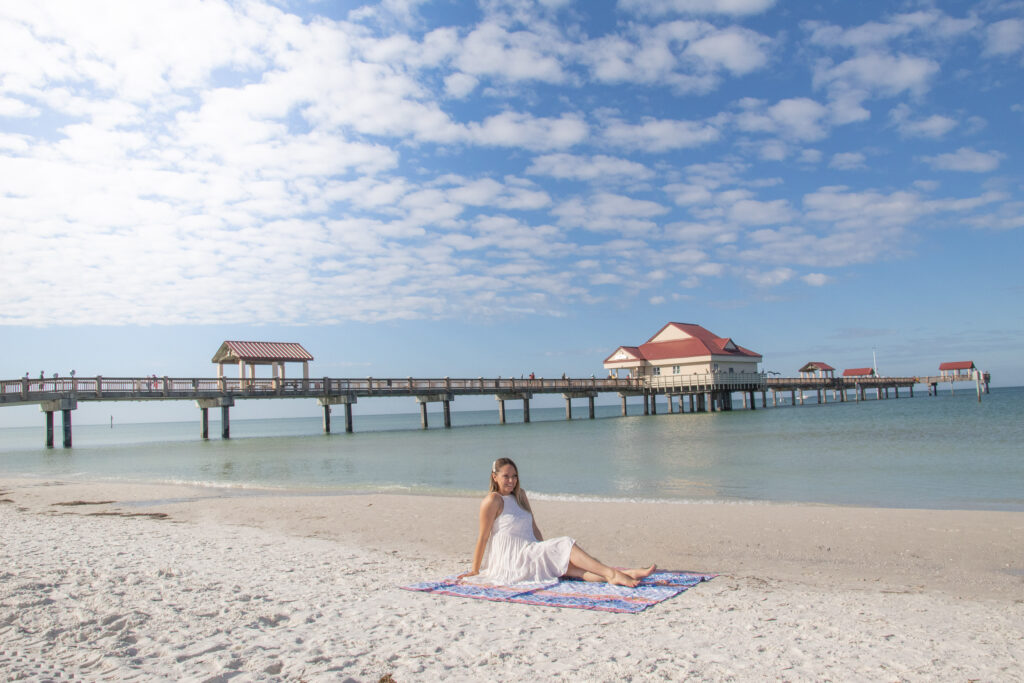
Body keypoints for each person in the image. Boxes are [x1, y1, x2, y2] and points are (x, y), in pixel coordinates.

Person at [459, 458, 655, 588]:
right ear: (495, 477)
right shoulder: (492, 500)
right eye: (506, 476)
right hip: (512, 560)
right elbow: (483, 537)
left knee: (571, 568)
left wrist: (544, 548)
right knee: (565, 544)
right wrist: (475, 569)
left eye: (514, 476)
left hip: (530, 551)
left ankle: (621, 575)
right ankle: (614, 574)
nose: (511, 480)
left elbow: (533, 527)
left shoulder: (520, 495)